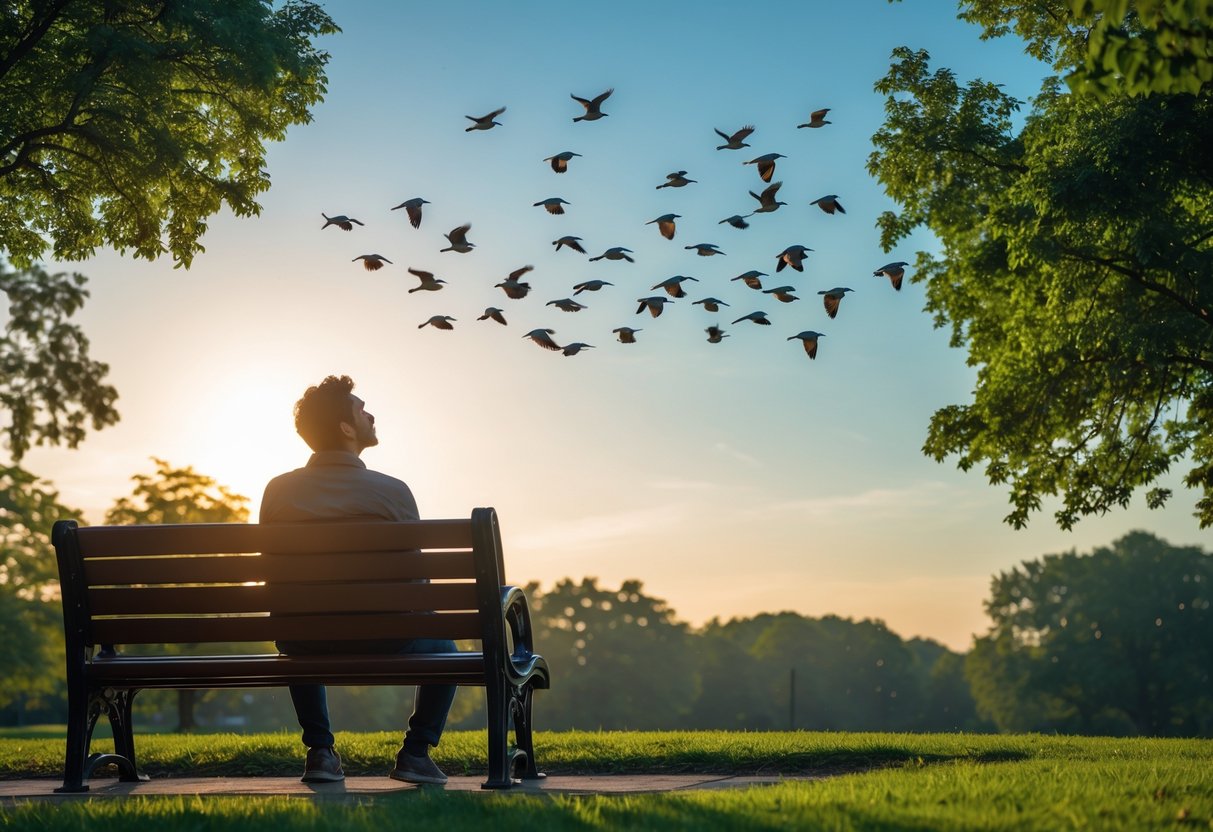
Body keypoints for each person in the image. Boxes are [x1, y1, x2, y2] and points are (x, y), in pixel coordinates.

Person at [260, 374, 455, 785]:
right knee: (446, 647)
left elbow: (276, 582)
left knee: (298, 630)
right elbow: (415, 581)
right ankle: (416, 754)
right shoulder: (392, 492)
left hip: (304, 640)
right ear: (346, 428)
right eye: (361, 409)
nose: (370, 415)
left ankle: (320, 753)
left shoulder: (277, 491)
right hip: (388, 637)